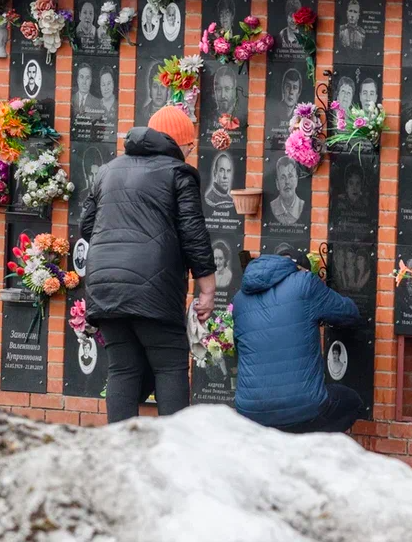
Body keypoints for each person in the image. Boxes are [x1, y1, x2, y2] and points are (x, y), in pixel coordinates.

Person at [79, 106, 216, 423]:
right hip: (154, 286)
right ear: (176, 142)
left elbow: (86, 227)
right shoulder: (177, 173)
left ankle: (120, 455)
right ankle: (174, 455)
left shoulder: (108, 170)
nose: (191, 151)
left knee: (122, 368)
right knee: (170, 364)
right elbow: (193, 232)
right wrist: (207, 289)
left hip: (104, 286)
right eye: (190, 145)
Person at [232, 249, 363, 433]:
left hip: (250, 413)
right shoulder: (305, 283)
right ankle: (310, 453)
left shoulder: (240, 299)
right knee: (351, 402)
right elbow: (349, 313)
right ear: (302, 269)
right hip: (303, 408)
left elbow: (239, 347)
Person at [270, 156, 304, 225]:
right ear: (277, 183)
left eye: (290, 176)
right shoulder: (272, 206)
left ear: (296, 180)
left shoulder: (302, 205)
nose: (287, 182)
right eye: (283, 178)